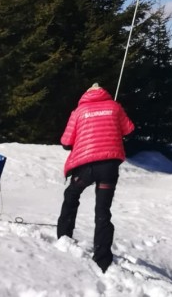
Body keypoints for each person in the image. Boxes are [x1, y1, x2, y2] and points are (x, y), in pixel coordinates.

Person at [56, 83, 135, 273]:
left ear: (86, 95)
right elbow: (129, 130)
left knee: (71, 196)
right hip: (109, 167)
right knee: (103, 212)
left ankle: (64, 238)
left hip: (86, 167)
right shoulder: (115, 107)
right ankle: (103, 259)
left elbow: (66, 143)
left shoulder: (79, 111)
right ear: (103, 93)